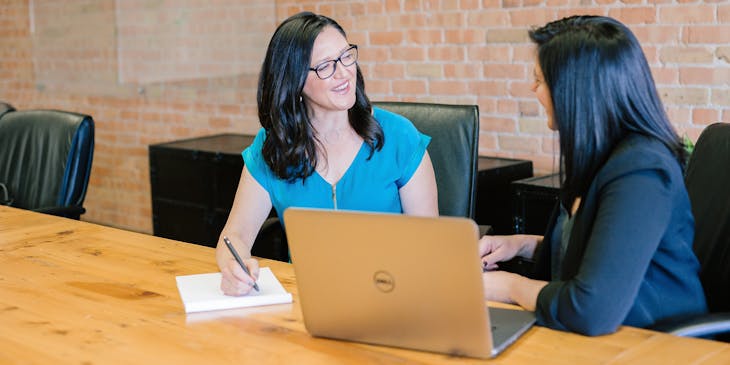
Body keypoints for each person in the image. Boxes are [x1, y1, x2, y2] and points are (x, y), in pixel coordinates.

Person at [479, 15, 707, 336]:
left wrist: (510, 286)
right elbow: (599, 248)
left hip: (655, 341)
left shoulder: (642, 171)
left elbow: (589, 310)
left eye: (540, 80)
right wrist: (522, 245)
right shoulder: (601, 155)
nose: (532, 89)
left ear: (576, 91)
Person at [216, 12, 438, 296]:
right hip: (306, 300)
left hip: (391, 295)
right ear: (295, 81)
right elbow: (234, 236)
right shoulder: (272, 147)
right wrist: (233, 269)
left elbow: (430, 246)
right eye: (325, 66)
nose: (344, 72)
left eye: (346, 56)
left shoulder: (399, 137)